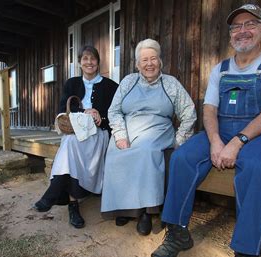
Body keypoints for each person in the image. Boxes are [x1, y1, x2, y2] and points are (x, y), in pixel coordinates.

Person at [151, 4, 261, 257]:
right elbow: (209, 109)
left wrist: (237, 142)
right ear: (230, 35)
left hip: (259, 133)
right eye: (236, 26)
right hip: (220, 129)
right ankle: (177, 232)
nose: (242, 31)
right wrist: (216, 141)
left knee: (256, 168)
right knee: (182, 158)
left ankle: (246, 251)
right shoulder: (221, 69)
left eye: (250, 24)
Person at [101, 39, 196, 236]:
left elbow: (189, 112)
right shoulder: (128, 81)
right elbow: (114, 111)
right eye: (144, 60)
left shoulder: (170, 84)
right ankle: (122, 207)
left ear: (160, 61)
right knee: (115, 153)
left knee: (145, 152)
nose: (149, 64)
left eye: (153, 58)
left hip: (157, 129)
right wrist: (119, 135)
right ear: (137, 64)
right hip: (127, 129)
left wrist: (180, 139)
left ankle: (145, 211)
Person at [33, 46, 118, 229]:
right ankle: (73, 205)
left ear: (98, 62)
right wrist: (84, 111)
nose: (89, 62)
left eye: (93, 59)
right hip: (75, 131)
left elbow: (116, 113)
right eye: (85, 59)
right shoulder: (71, 83)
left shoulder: (111, 86)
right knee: (71, 142)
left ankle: (53, 193)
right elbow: (63, 109)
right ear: (79, 63)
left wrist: (99, 116)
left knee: (70, 146)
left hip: (98, 133)